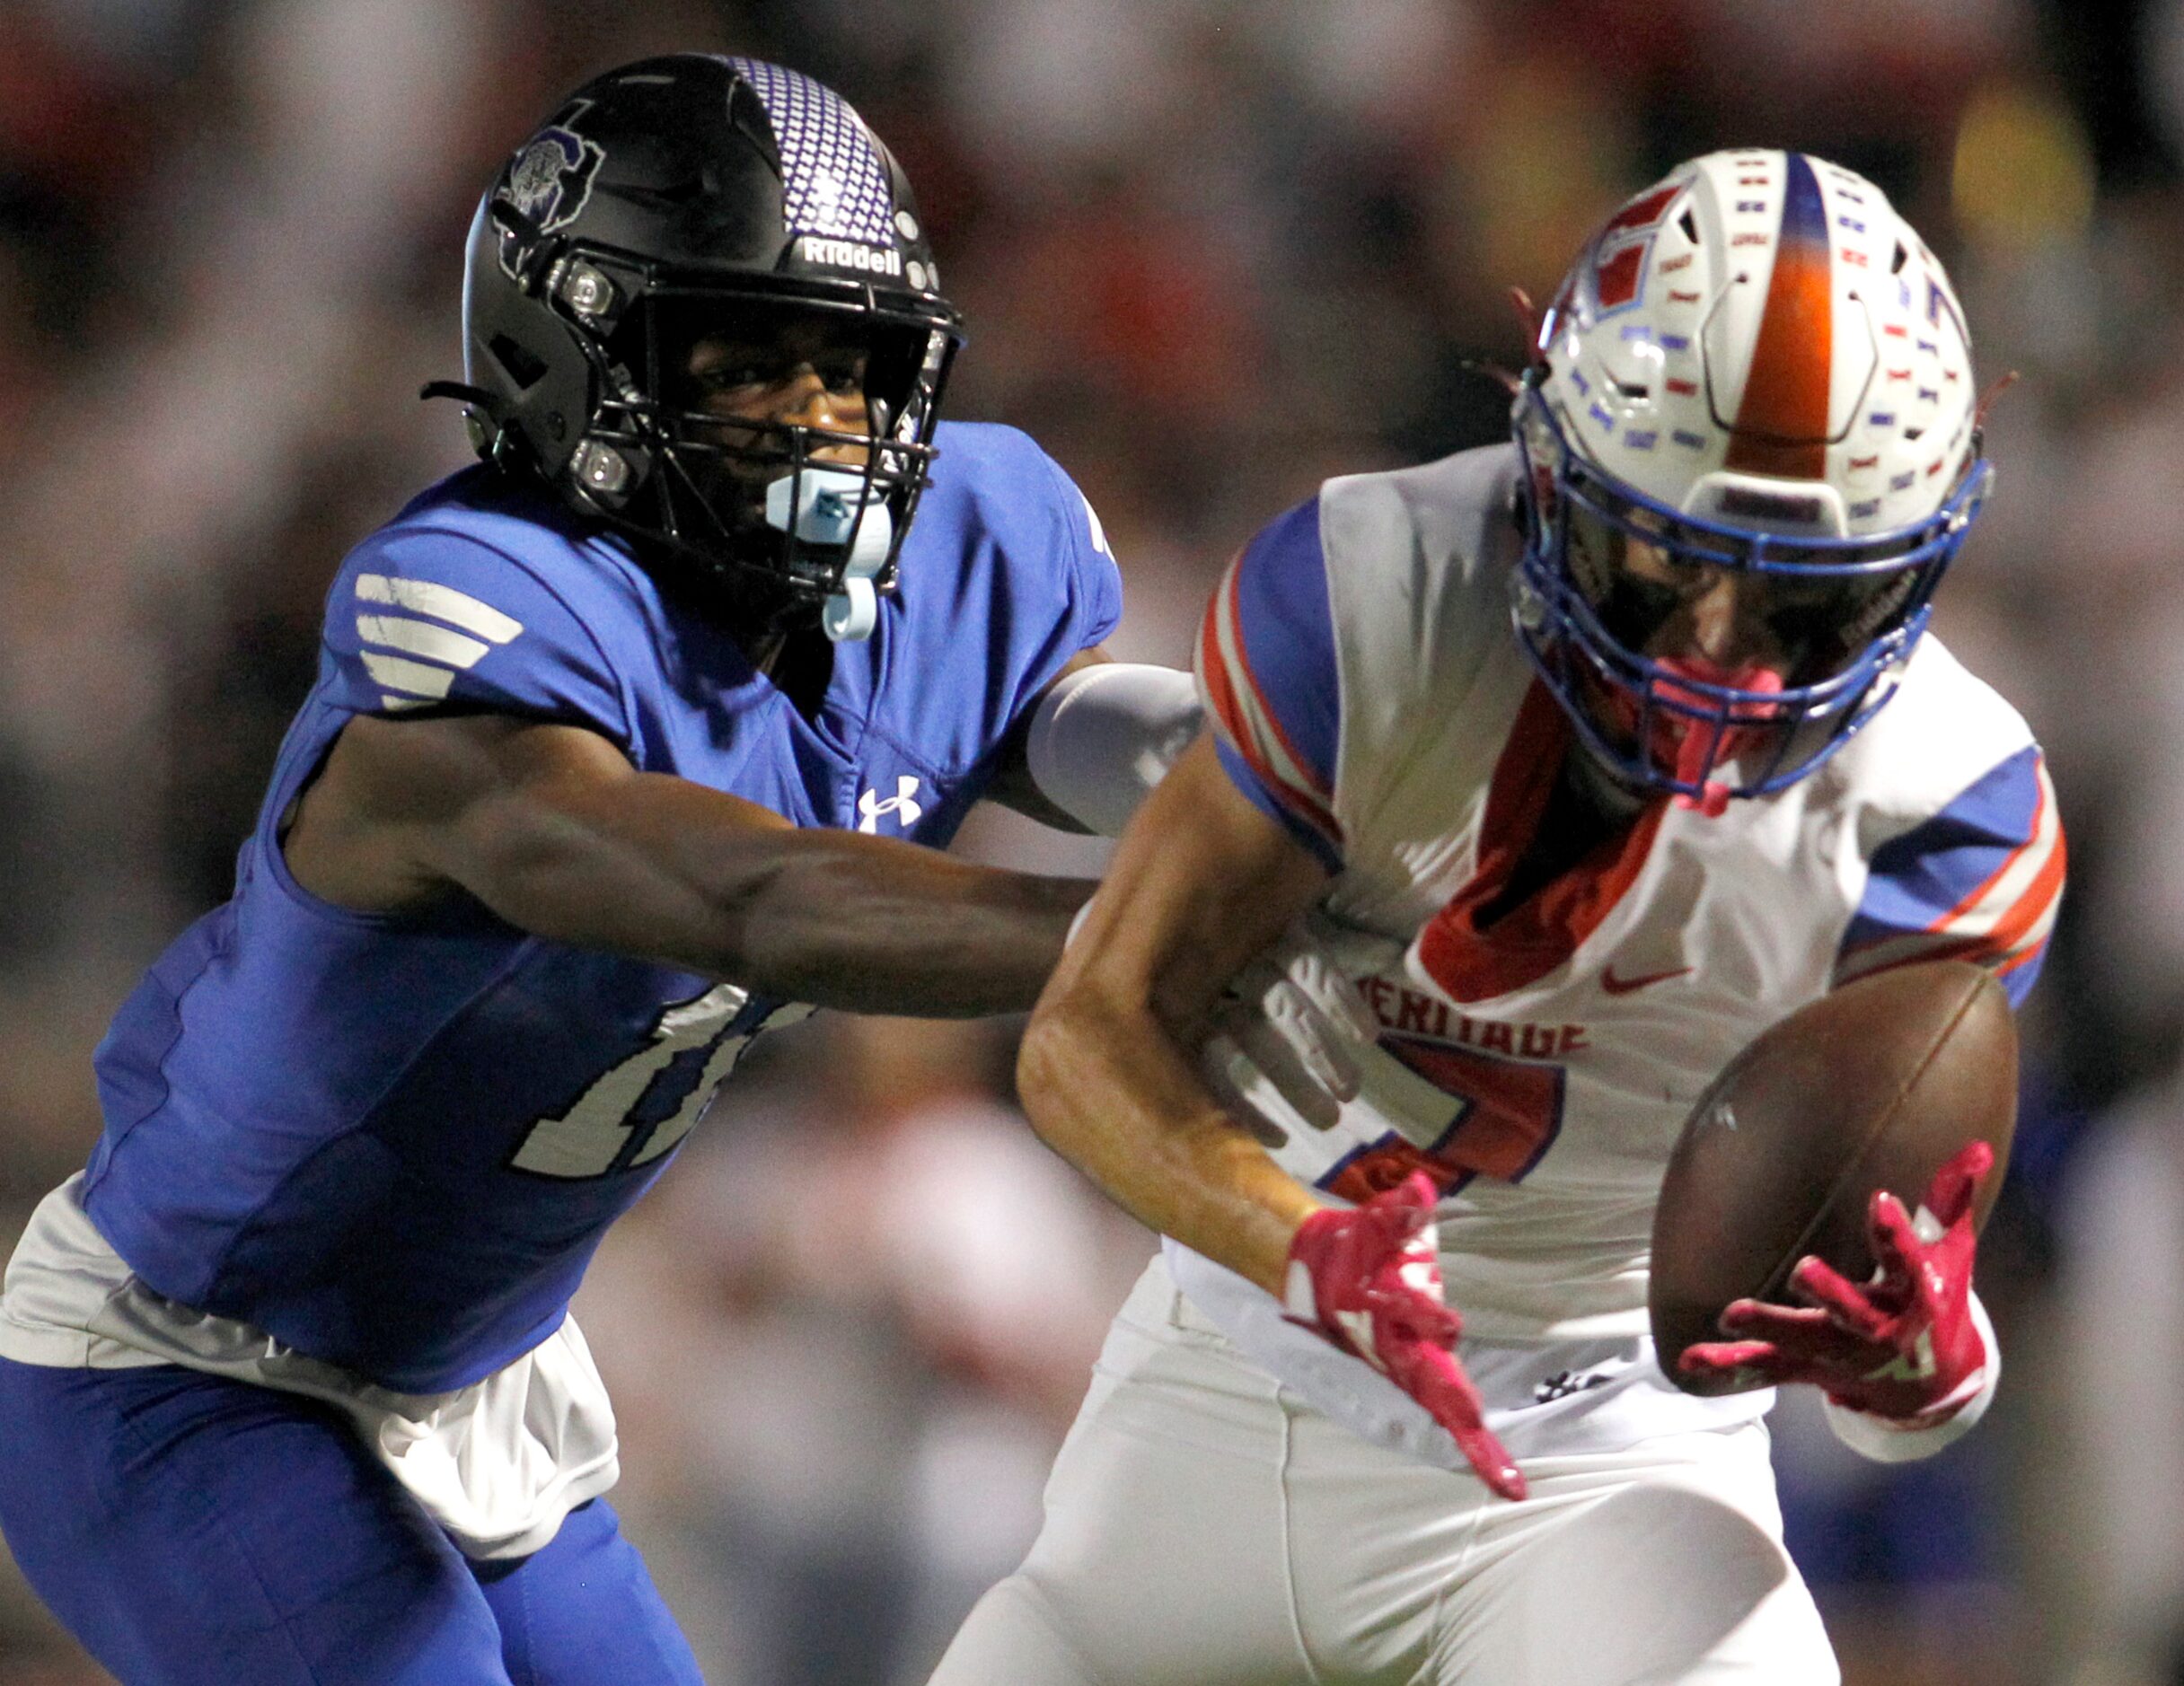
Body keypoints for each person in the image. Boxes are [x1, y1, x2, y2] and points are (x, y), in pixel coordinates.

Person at [0, 53, 1359, 1686]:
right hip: (201, 1373)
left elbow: (1054, 727)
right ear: (566, 361)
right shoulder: (480, 657)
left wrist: (1270, 797)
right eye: (748, 363)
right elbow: (752, 895)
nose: (821, 420)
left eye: (851, 367)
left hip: (487, 1384)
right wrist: (1172, 931)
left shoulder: (948, 558)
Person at [933, 149, 2064, 1685]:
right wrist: (1302, 1241)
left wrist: (1929, 1360)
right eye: (1670, 554)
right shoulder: (1381, 597)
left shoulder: (1945, 805)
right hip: (1230, 1391)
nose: (1718, 656)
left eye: (1796, 596)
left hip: (1608, 1469)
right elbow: (1083, 1038)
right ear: (1552, 471)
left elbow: (1883, 1372)